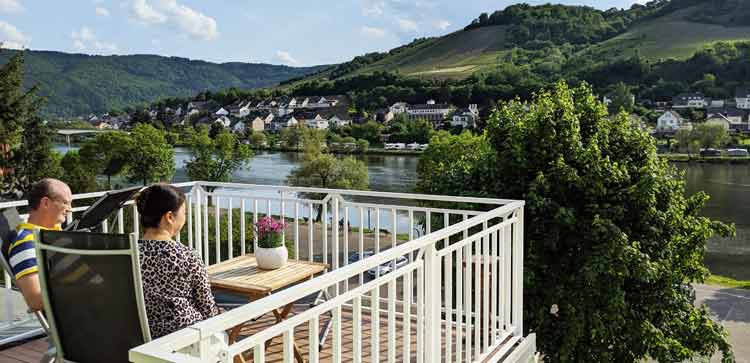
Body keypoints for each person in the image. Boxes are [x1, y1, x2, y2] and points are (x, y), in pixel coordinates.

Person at [136, 183, 219, 338]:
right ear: (169, 217)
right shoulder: (187, 255)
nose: (185, 218)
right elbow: (207, 307)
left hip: (142, 337)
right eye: (184, 213)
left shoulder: (129, 255)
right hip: (184, 337)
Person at [8, 178, 72, 311]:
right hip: (79, 315)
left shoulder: (51, 234)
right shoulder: (27, 243)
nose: (70, 209)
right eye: (65, 203)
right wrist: (81, 287)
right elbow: (36, 301)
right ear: (46, 203)